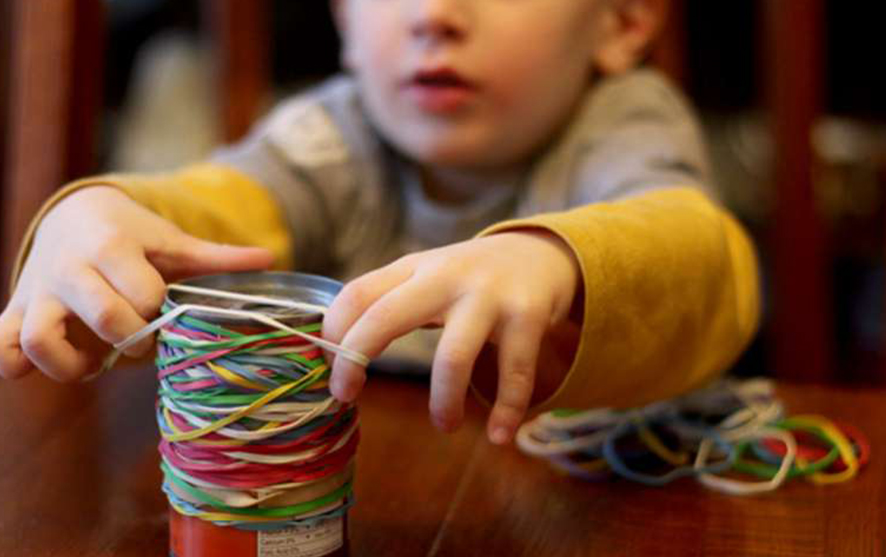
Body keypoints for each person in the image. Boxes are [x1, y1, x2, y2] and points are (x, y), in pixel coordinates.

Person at [0, 0, 760, 446]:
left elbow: (706, 261)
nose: (434, 16)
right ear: (344, 22)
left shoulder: (624, 123)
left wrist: (551, 259)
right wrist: (98, 215)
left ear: (622, 22)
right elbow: (219, 214)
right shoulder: (333, 137)